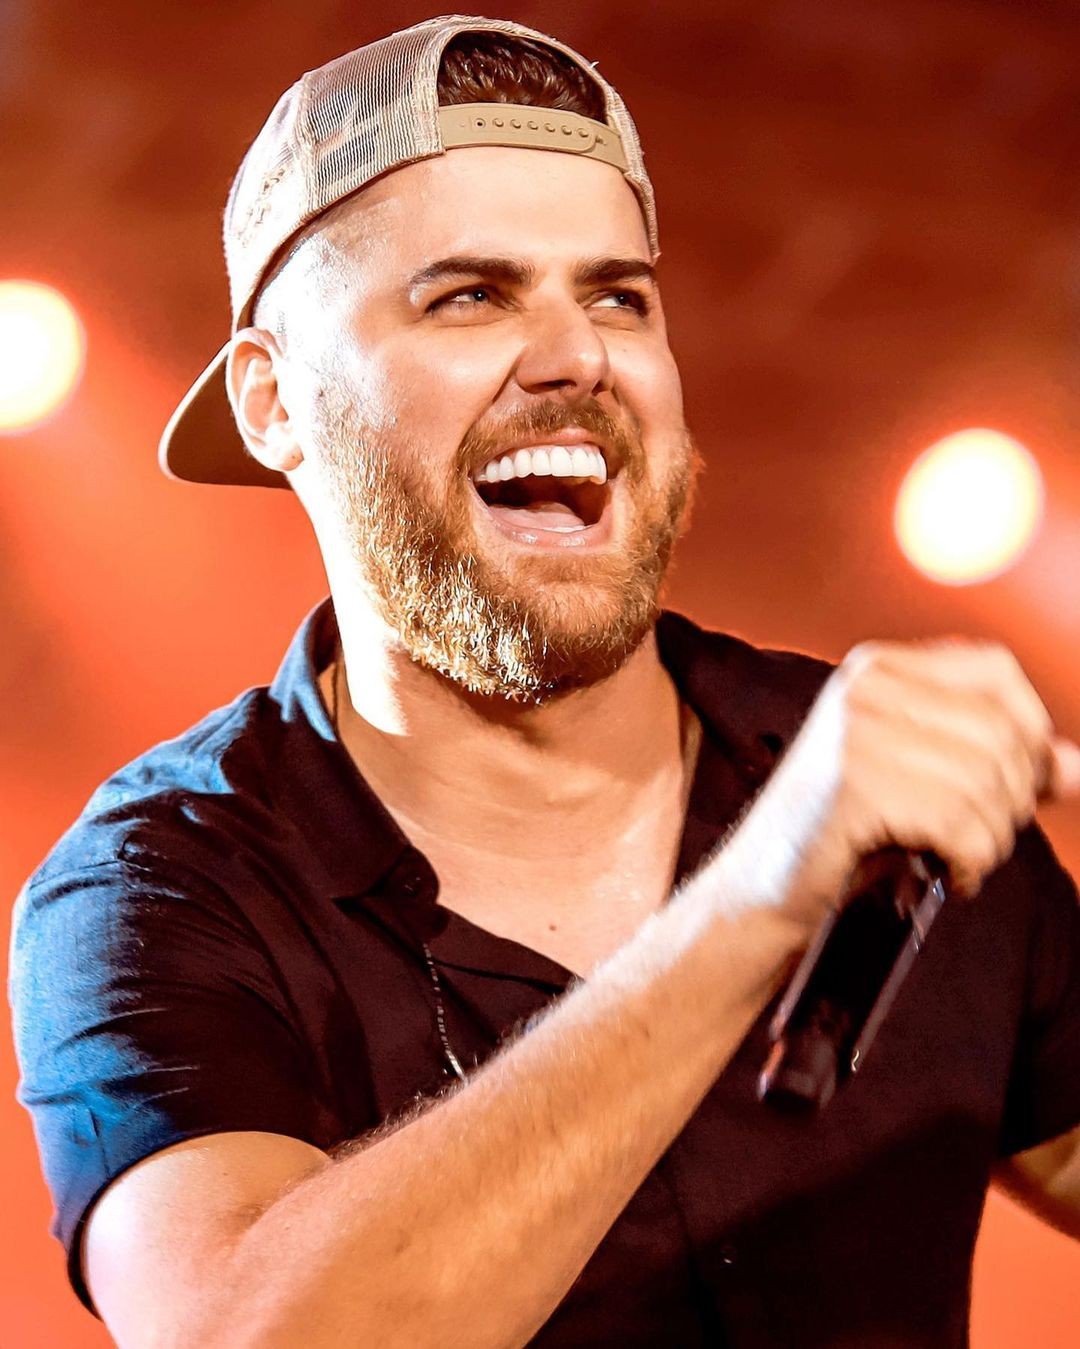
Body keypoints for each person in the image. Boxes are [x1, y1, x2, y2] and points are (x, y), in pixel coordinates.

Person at [10, 15, 1080, 1347]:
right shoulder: (160, 887)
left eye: (620, 296)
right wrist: (758, 896)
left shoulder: (887, 774)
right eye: (470, 294)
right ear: (274, 401)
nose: (579, 356)